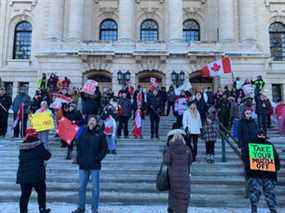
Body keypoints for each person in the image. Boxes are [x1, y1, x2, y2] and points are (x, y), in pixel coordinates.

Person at [73, 116, 108, 213]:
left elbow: (105, 149)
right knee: (81, 188)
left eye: (93, 120)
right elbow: (78, 146)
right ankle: (81, 208)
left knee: (95, 189)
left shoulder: (100, 134)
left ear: (96, 123)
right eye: (90, 120)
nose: (92, 122)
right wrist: (79, 159)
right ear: (88, 122)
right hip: (83, 165)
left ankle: (94, 209)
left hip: (95, 165)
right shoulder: (82, 132)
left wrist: (98, 158)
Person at [243, 129, 280, 213]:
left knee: (270, 195)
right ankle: (254, 210)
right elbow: (246, 159)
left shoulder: (269, 145)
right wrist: (250, 168)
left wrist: (276, 168)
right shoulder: (251, 146)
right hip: (255, 175)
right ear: (256, 135)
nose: (261, 136)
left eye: (263, 135)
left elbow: (276, 158)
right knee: (255, 194)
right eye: (260, 135)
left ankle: (273, 210)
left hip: (268, 175)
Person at [16, 128, 52, 213]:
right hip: (37, 175)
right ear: (36, 135)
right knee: (41, 193)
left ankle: (23, 211)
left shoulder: (22, 146)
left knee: (24, 195)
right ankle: (42, 209)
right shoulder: (38, 144)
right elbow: (47, 156)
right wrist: (47, 150)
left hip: (24, 174)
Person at [163, 130, 192, 213]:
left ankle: (172, 209)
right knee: (184, 194)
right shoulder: (187, 149)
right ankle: (183, 210)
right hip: (184, 175)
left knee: (173, 193)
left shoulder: (170, 148)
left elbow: (166, 161)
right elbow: (190, 161)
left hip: (173, 176)